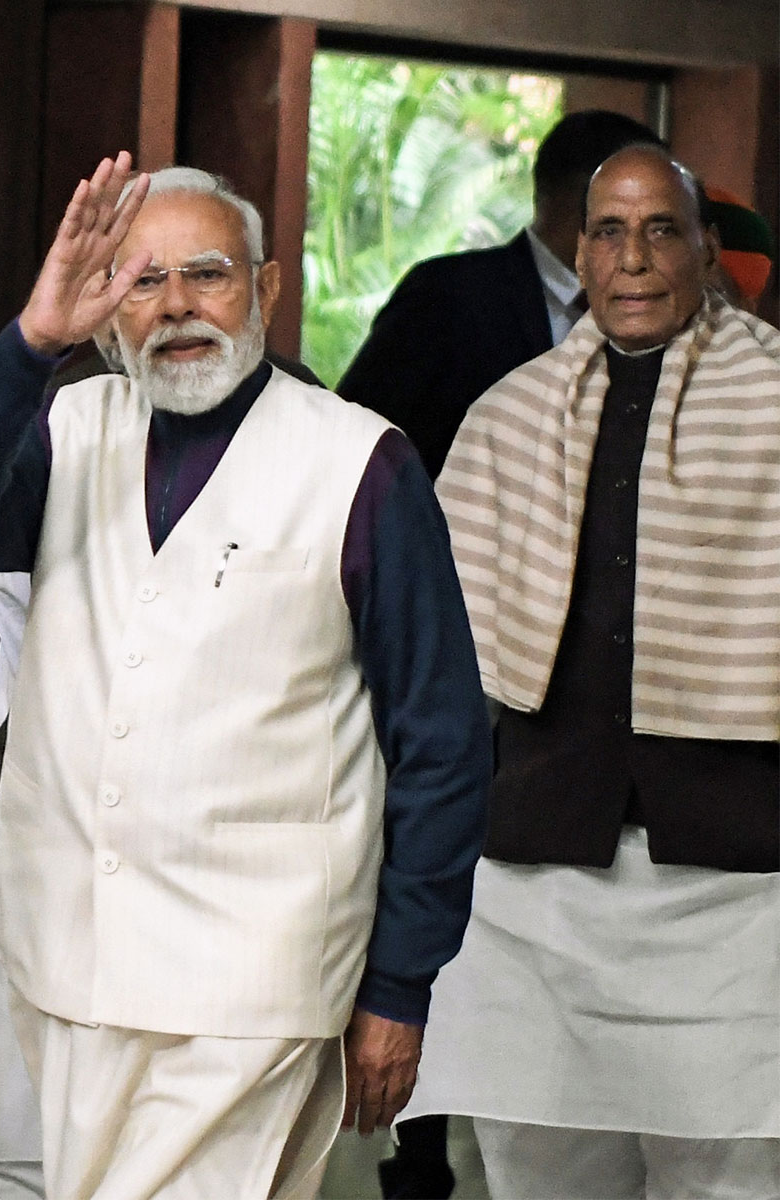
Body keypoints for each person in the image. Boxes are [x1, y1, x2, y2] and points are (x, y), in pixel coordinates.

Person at [0, 156, 490, 1199]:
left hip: (250, 983)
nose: (174, 307)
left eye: (205, 275)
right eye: (141, 280)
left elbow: (440, 744)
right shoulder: (64, 424)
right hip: (65, 964)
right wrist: (35, 337)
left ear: (263, 288)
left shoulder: (362, 467)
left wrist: (401, 981)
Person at [407, 144, 780, 1197]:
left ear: (705, 249)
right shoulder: (509, 415)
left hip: (739, 889)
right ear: (577, 253)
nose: (633, 257)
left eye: (660, 228)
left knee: (738, 1179)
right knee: (536, 1172)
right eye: (608, 232)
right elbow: (441, 664)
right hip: (539, 881)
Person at [339, 110, 661, 479]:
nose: (655, 237)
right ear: (592, 198)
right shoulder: (450, 296)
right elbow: (360, 433)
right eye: (651, 208)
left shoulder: (656, 309)